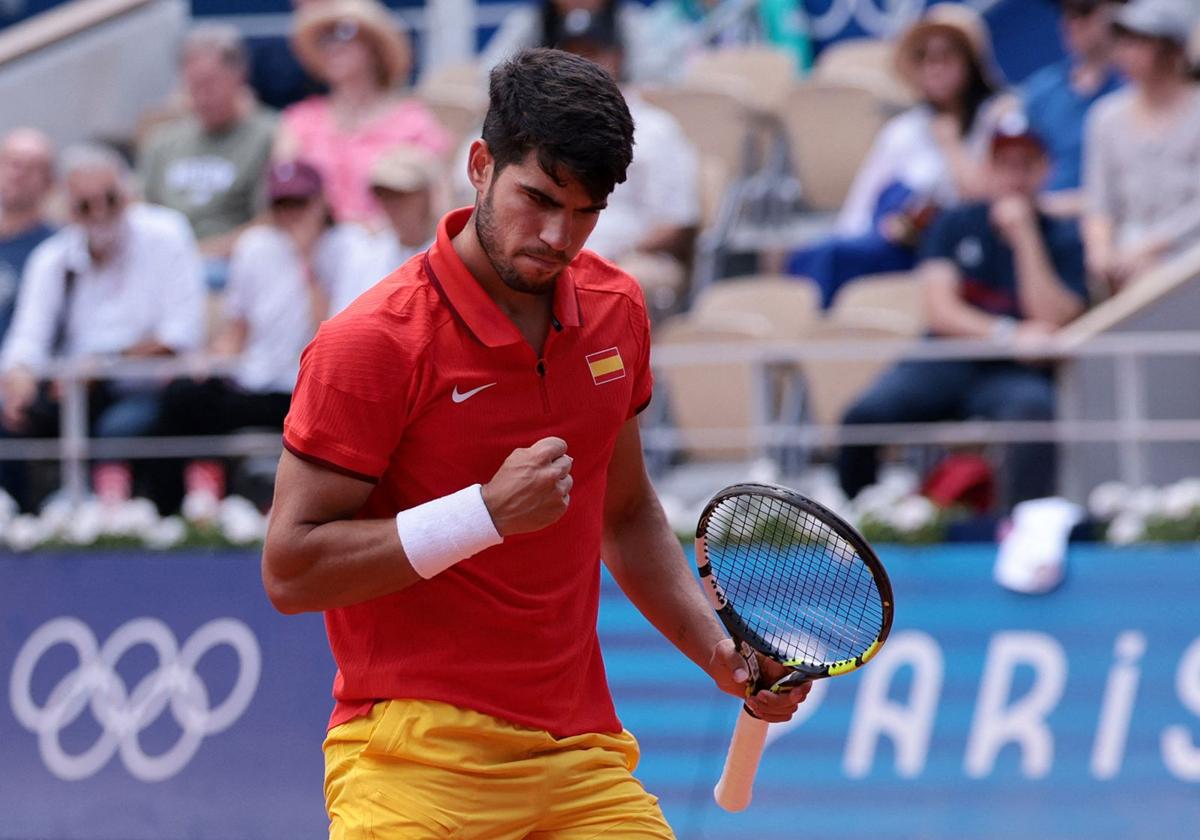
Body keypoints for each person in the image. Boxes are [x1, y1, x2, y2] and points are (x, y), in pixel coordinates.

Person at [262, 48, 809, 838]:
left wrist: (719, 653)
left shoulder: (618, 311)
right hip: (412, 761)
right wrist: (482, 514)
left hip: (579, 756)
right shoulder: (370, 344)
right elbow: (291, 568)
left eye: (585, 213)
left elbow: (622, 514)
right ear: (481, 166)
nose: (558, 236)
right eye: (539, 199)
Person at [837, 114, 1088, 512]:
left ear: (1045, 170)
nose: (1014, 176)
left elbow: (1057, 317)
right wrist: (1008, 335)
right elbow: (940, 310)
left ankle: (1021, 531)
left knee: (1035, 415)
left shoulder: (1064, 235)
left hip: (1016, 373)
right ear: (987, 170)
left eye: (1026, 165)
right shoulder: (954, 223)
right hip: (947, 359)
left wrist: (1024, 237)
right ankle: (859, 525)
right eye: (1004, 165)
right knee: (863, 416)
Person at [0, 144, 205, 506]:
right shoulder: (53, 257)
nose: (99, 213)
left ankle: (116, 519)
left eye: (109, 200)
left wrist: (104, 364)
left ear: (128, 196)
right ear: (68, 209)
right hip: (75, 392)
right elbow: (27, 338)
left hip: (149, 386)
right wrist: (19, 377)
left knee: (120, 427)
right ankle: (20, 525)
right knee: (14, 413)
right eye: (84, 205)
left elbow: (180, 332)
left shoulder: (166, 234)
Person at [787, 3, 1012, 308]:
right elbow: (860, 208)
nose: (935, 67)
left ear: (970, 62)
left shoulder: (998, 119)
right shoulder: (902, 131)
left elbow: (989, 197)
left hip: (968, 253)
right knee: (821, 255)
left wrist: (951, 146)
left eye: (946, 56)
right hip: (897, 249)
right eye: (924, 58)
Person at [160, 160, 353, 504]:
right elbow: (239, 328)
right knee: (182, 396)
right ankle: (186, 507)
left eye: (299, 203)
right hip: (258, 381)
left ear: (320, 203)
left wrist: (307, 261)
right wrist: (210, 360)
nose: (289, 214)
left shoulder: (347, 248)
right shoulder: (255, 245)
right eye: (281, 204)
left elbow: (331, 336)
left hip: (313, 390)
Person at [550, 9, 701, 315]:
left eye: (591, 53)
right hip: (560, 252)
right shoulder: (543, 127)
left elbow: (676, 222)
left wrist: (613, 256)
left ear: (616, 57)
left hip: (635, 255)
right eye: (572, 54)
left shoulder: (655, 127)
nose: (582, 64)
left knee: (618, 280)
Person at [275, 0, 452, 226]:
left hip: (389, 247)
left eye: (344, 31)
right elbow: (281, 197)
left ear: (374, 46)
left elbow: (438, 203)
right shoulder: (299, 121)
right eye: (324, 38)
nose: (333, 45)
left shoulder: (413, 121)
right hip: (313, 247)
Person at [140, 24, 278, 290]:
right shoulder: (163, 141)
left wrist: (201, 253)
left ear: (239, 75)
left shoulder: (270, 135)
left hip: (233, 266)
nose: (202, 96)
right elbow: (141, 213)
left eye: (211, 83)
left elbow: (270, 221)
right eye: (193, 85)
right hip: (164, 262)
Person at [1083, 0, 1200, 298]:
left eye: (1139, 40)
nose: (1126, 52)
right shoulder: (1105, 117)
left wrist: (1154, 247)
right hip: (1129, 265)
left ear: (1171, 47)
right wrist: (1102, 256)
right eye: (1123, 40)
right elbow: (1099, 204)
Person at [1023, 0, 1126, 217]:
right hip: (1047, 223)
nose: (1073, 22)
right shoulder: (1041, 89)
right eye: (1066, 13)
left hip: (1116, 219)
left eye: (1084, 11)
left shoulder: (1138, 84)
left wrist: (1062, 205)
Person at [329, 145, 442, 314]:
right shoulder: (365, 254)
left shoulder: (449, 253)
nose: (391, 205)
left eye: (401, 194)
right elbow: (342, 316)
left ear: (425, 195)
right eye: (383, 195)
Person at [0, 129, 57, 344]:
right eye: (12, 163)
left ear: (49, 182)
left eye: (32, 168)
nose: (19, 174)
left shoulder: (57, 247)